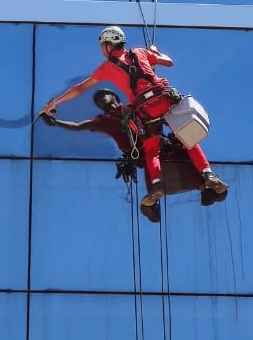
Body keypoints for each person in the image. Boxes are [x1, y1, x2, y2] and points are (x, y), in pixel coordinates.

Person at [41, 26, 228, 209]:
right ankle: (208, 175)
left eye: (102, 46)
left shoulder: (106, 67)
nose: (101, 51)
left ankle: (155, 186)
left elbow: (79, 88)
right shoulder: (140, 52)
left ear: (109, 45)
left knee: (151, 150)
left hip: (145, 110)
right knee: (187, 139)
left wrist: (54, 103)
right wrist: (155, 53)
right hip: (164, 100)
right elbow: (169, 62)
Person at [42, 88, 214, 222]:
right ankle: (152, 203)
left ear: (115, 98)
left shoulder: (133, 109)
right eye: (100, 101)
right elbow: (78, 126)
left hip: (157, 143)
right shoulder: (104, 122)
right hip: (140, 151)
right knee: (148, 161)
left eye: (105, 97)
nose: (103, 101)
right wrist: (56, 122)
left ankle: (204, 187)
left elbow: (155, 110)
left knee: (183, 151)